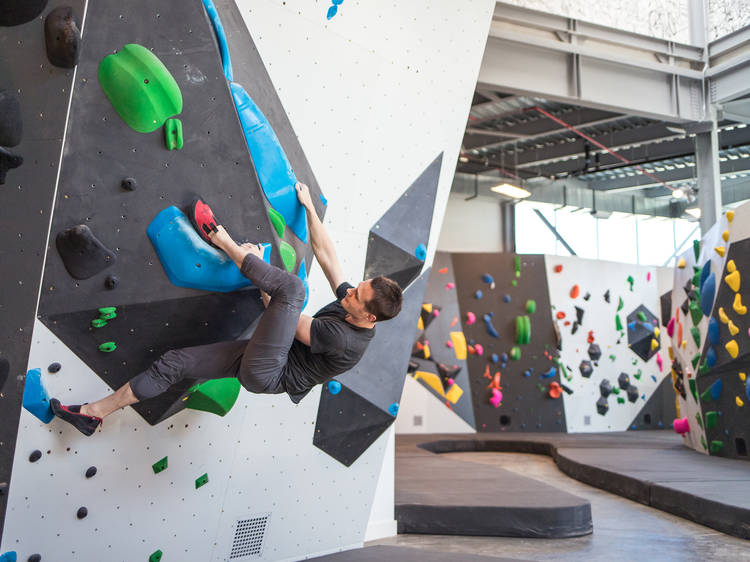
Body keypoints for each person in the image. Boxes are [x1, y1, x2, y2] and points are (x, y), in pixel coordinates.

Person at [50, 183, 403, 436]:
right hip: (264, 356)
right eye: (358, 287)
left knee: (295, 288)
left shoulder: (344, 339)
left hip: (269, 372)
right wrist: (309, 209)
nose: (350, 291)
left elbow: (282, 307)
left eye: (357, 295)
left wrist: (252, 258)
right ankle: (93, 415)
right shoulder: (353, 305)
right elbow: (328, 257)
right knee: (175, 362)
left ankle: (218, 235)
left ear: (369, 317)